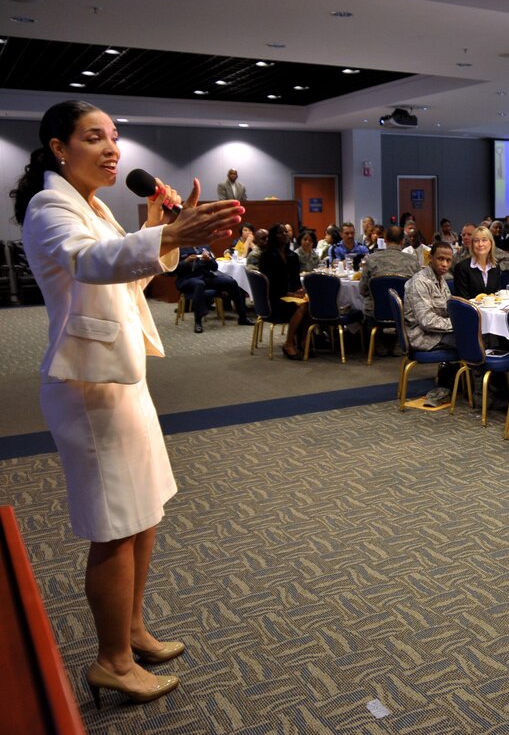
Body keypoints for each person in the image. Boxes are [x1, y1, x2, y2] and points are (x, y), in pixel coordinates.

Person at [12, 100, 243, 706]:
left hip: (122, 378)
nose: (113, 148)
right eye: (95, 138)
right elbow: (90, 263)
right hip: (88, 390)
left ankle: (132, 628)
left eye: (115, 137)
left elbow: (130, 277)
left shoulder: (93, 206)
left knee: (144, 514)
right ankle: (112, 660)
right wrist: (166, 231)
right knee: (115, 527)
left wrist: (152, 224)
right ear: (60, 148)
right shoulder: (48, 206)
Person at [404, 241, 459, 395]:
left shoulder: (441, 280)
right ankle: (477, 391)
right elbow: (427, 321)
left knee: (478, 337)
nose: (444, 264)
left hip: (437, 332)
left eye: (448, 261)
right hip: (423, 336)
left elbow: (448, 309)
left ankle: (455, 380)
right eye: (440, 259)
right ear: (430, 259)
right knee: (473, 342)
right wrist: (457, 325)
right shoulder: (420, 282)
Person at [258, 223, 310, 359]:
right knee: (301, 306)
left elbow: (295, 279)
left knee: (310, 303)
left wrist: (299, 290)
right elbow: (270, 283)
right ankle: (288, 343)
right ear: (274, 236)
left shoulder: (292, 256)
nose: (285, 235)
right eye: (281, 233)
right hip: (274, 298)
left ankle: (303, 341)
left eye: (286, 232)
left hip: (290, 295)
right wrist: (290, 294)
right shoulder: (267, 256)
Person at [175, 245, 251, 332]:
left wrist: (209, 260)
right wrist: (185, 261)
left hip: (206, 277)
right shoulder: (179, 249)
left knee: (231, 282)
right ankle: (198, 321)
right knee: (199, 284)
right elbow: (172, 270)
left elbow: (215, 267)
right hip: (187, 279)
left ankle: (242, 317)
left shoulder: (204, 247)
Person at [358, 225, 419, 316]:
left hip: (375, 311)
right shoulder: (413, 261)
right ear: (402, 241)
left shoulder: (371, 259)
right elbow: (418, 290)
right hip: (405, 312)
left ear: (385, 240)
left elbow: (362, 290)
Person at [454, 226, 503, 298]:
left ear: (491, 243)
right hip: (471, 309)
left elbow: (496, 295)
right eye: (476, 241)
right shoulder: (462, 268)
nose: (480, 244)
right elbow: (463, 300)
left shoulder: (495, 267)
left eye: (484, 240)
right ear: (472, 244)